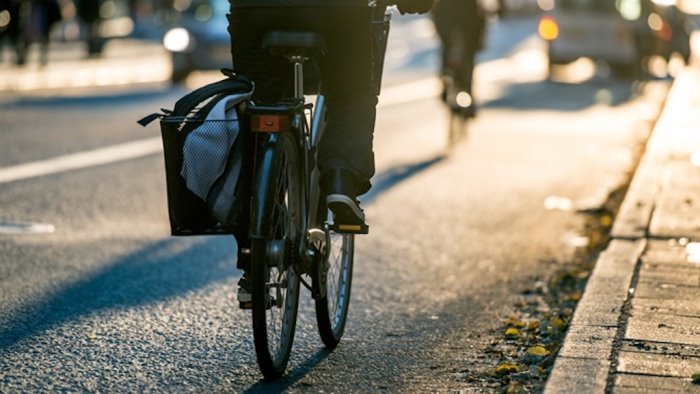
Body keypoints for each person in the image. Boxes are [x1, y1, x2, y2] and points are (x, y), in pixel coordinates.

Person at [227, 0, 433, 303]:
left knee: (258, 108)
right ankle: (340, 177)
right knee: (352, 92)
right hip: (337, 12)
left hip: (255, 11)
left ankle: (253, 252)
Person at [431, 0, 485, 117]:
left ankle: (451, 83)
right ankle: (448, 82)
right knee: (459, 53)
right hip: (457, 16)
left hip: (456, 17)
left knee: (458, 52)